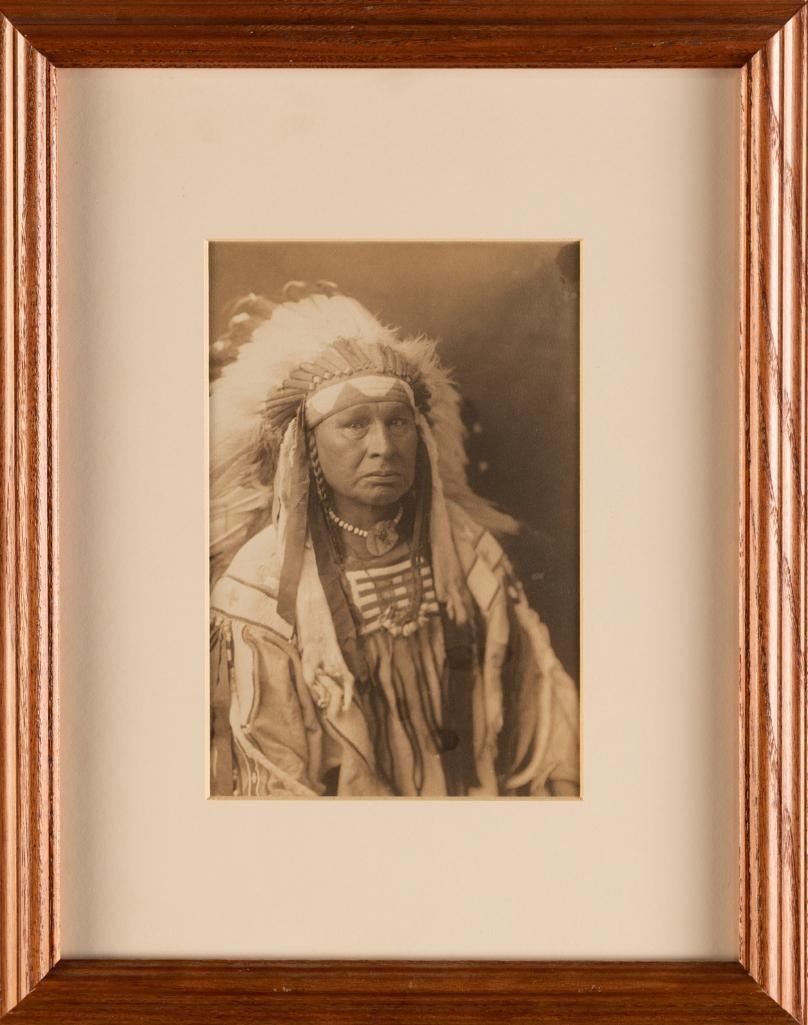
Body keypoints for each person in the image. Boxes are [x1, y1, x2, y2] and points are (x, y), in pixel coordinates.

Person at [209, 283, 579, 798]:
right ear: (307, 447)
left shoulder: (466, 550)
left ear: (420, 436)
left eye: (398, 422)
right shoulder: (261, 586)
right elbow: (271, 770)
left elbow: (538, 707)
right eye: (355, 425)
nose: (383, 447)